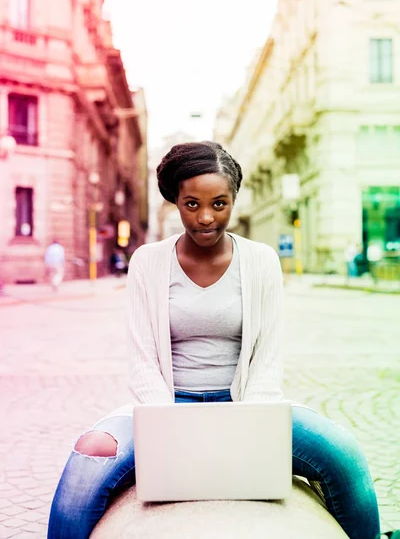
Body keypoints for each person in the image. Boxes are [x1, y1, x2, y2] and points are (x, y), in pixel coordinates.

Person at [47, 142, 380, 539]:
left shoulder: (261, 261)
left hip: (245, 403)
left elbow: (266, 360)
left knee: (345, 457)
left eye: (219, 204)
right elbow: (143, 361)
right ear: (175, 201)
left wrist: (250, 429)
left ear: (234, 200)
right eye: (191, 205)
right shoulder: (148, 262)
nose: (205, 218)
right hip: (167, 405)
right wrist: (168, 432)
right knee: (87, 458)